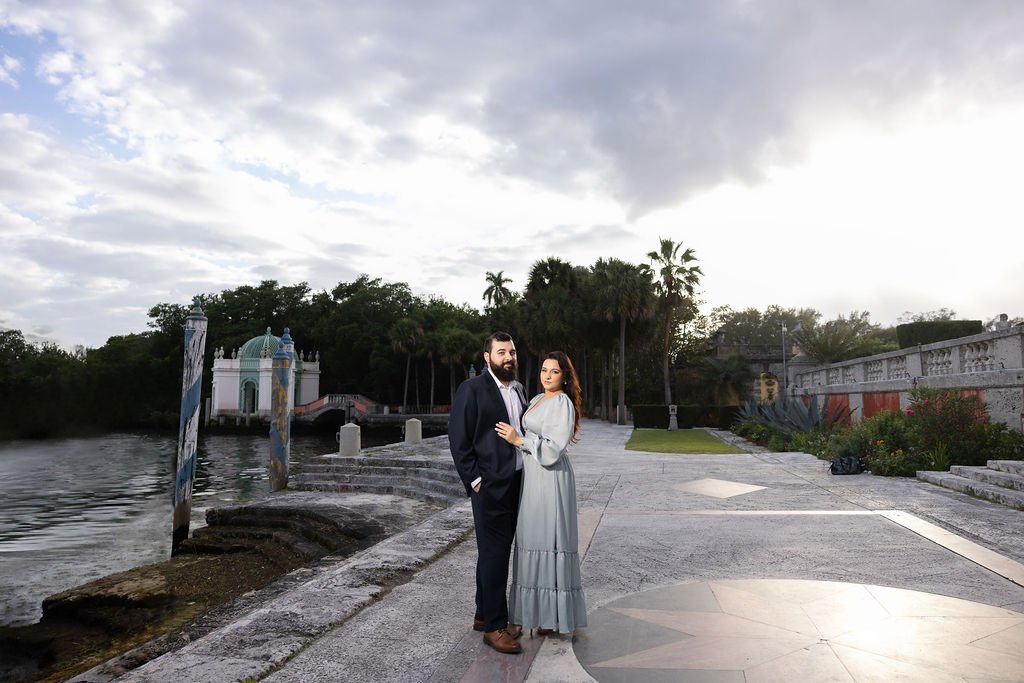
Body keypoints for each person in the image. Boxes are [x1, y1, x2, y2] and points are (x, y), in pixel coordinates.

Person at [495, 350, 587, 636]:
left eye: (554, 371)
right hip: (533, 477)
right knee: (531, 539)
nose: (547, 376)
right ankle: (536, 615)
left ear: (565, 377)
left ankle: (551, 617)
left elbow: (552, 449)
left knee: (548, 540)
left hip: (551, 477)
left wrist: (518, 440)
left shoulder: (562, 403)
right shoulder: (536, 399)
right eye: (544, 370)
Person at [449, 331, 528, 654]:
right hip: (490, 485)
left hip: (518, 482)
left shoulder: (519, 389)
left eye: (511, 352)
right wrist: (475, 480)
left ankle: (483, 614)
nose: (508, 358)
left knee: (494, 552)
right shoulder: (471, 389)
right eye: (501, 352)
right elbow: (459, 439)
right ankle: (496, 626)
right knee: (496, 554)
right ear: (487, 357)